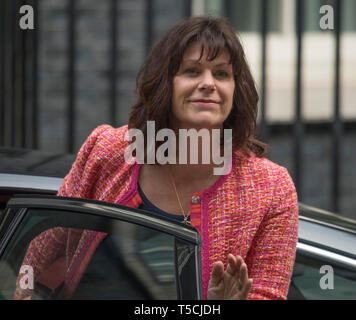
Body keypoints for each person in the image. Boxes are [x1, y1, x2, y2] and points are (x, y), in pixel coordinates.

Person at [14, 16, 298, 300]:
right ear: (166, 83)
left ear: (236, 90)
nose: (208, 83)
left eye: (222, 74)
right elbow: (41, 252)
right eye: (191, 71)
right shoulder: (108, 151)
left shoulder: (270, 190)